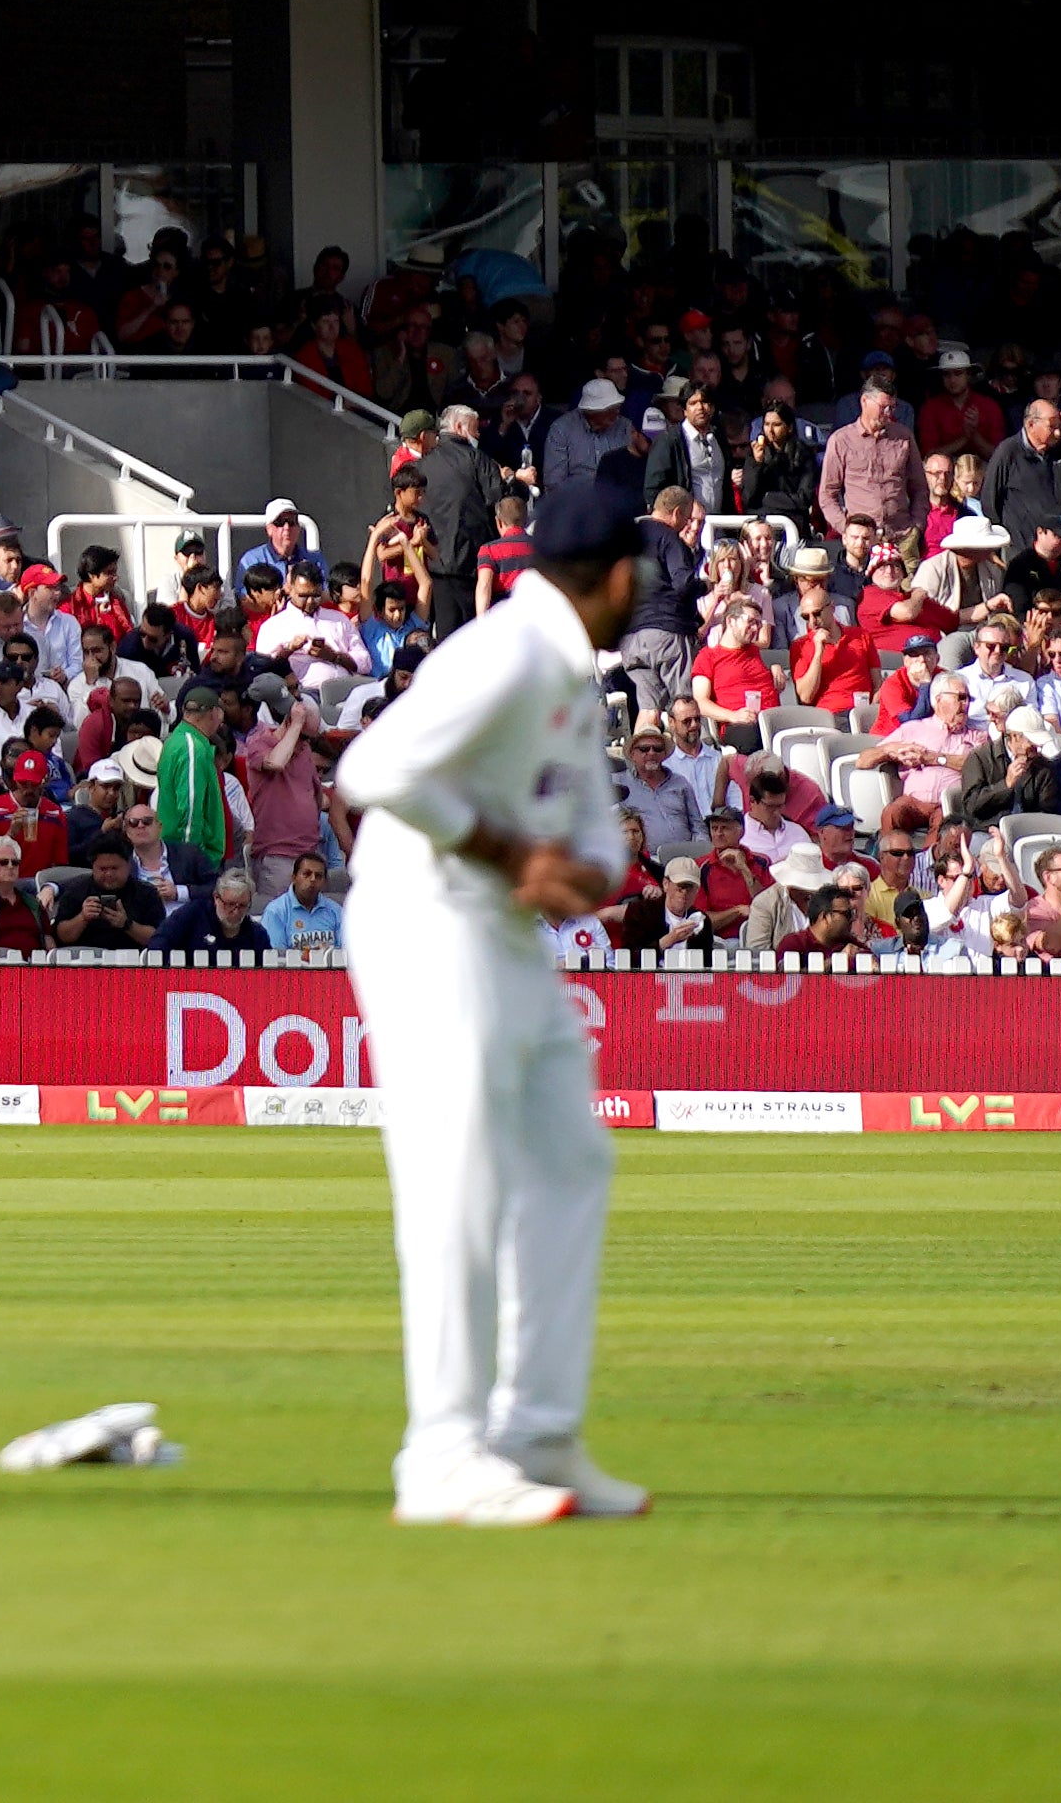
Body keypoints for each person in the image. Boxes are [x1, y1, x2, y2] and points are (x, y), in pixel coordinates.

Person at [335, 468, 653, 1528]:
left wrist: (575, 874)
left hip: (503, 928)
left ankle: (537, 1431)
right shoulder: (507, 651)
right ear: (615, 575)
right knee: (456, 1177)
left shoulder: (568, 665)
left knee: (570, 1152)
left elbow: (599, 838)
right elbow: (374, 768)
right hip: (426, 916)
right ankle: (442, 1455)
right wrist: (513, 849)